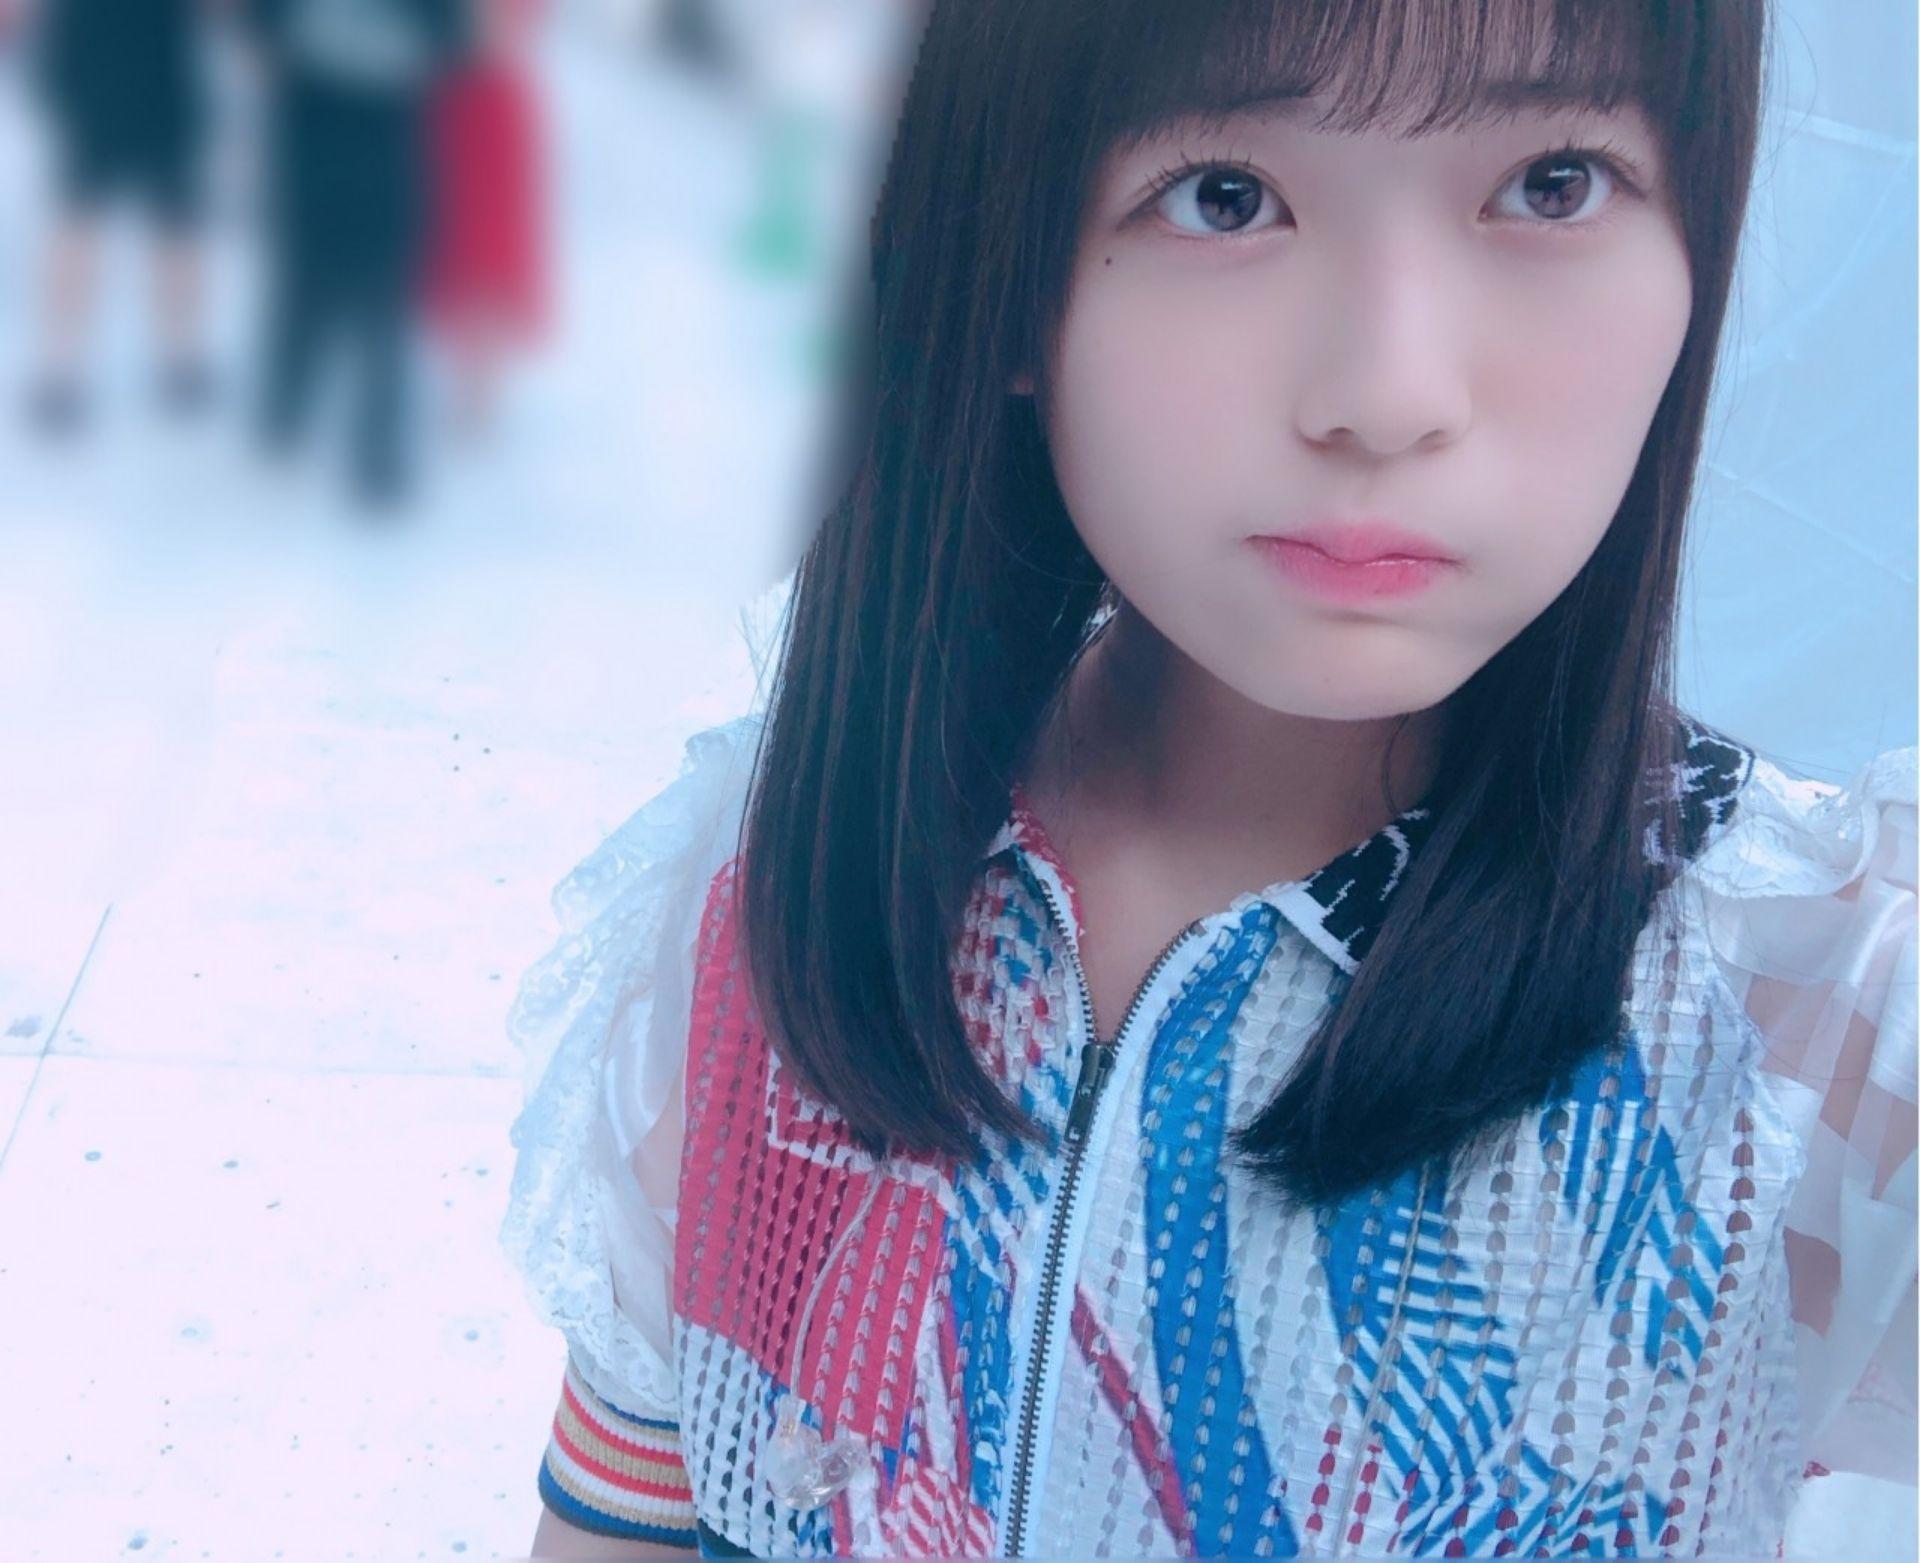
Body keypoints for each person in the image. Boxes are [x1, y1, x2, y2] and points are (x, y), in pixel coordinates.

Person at [502, 1, 1918, 1557]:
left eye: (1553, 184)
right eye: (1225, 196)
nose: (1389, 390)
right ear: (1003, 272)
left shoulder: (1815, 1020)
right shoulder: (763, 901)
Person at [242, 0, 466, 507]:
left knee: (314, 282)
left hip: (326, 126)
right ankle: (366, 448)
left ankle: (290, 413)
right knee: (368, 295)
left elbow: (260, 28)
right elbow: (451, 40)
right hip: (367, 134)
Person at [22, 0, 215, 434]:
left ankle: (69, 372)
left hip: (137, 76)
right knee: (101, 232)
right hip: (135, 77)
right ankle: (65, 370)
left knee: (159, 233)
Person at [420, 0, 547, 440]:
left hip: (488, 111)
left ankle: (477, 395)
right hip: (455, 107)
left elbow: (498, 37)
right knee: (457, 255)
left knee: (487, 260)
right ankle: (469, 388)